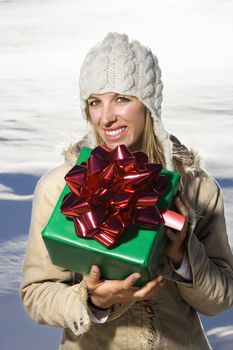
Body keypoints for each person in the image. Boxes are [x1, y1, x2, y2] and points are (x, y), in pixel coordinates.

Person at [20, 32, 233, 350]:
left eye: (121, 98)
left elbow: (221, 299)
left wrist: (183, 256)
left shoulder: (197, 188)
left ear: (148, 104)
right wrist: (92, 301)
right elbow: (36, 294)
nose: (106, 117)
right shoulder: (58, 188)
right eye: (95, 102)